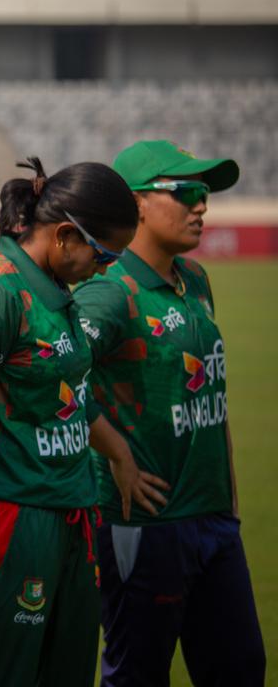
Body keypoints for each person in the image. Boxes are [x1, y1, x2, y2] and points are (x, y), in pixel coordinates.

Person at [0, 157, 165, 687]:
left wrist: (116, 449)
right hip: (14, 516)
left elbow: (65, 392)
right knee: (6, 670)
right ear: (63, 236)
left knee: (69, 668)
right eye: (103, 256)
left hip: (71, 510)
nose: (106, 271)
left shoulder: (57, 290)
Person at [74, 140, 266, 686]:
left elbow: (211, 398)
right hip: (144, 524)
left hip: (215, 522)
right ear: (136, 204)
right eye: (186, 192)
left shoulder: (196, 281)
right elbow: (57, 378)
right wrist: (116, 454)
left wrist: (228, 499)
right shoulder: (109, 294)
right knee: (138, 674)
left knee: (240, 667)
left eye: (204, 193)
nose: (201, 205)